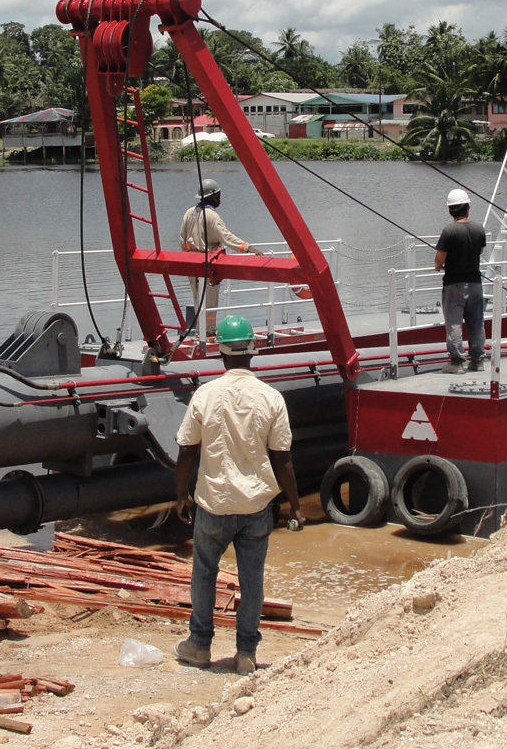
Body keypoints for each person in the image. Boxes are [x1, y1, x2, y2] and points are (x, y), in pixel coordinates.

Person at [172, 315, 305, 675]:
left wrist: (181, 495)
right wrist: (294, 506)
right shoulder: (271, 398)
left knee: (203, 574)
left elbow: (186, 450)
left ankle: (199, 645)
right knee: (252, 580)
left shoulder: (205, 395)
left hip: (213, 504)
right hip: (256, 506)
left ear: (221, 353)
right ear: (253, 350)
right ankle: (246, 654)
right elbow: (283, 459)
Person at [180, 178, 264, 329]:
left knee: (197, 299)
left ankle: (200, 330)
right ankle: (209, 332)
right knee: (209, 302)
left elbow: (182, 237)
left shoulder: (189, 213)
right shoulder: (212, 216)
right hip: (207, 265)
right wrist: (248, 248)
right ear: (212, 196)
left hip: (190, 263)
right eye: (218, 195)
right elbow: (226, 237)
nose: (220, 198)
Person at [434, 188, 487, 374]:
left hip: (454, 284)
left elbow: (439, 260)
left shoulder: (449, 231)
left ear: (450, 210)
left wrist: (439, 266)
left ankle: (457, 363)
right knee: (476, 322)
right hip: (475, 284)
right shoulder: (479, 228)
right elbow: (479, 251)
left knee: (454, 323)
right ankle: (478, 360)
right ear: (467, 208)